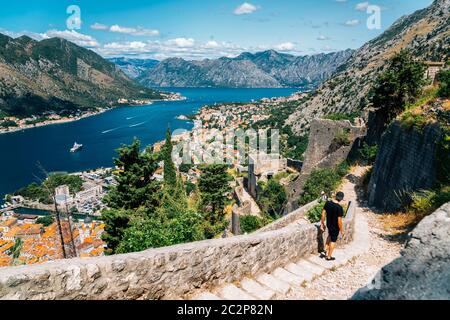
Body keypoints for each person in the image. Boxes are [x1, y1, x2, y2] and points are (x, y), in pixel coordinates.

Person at [320, 191, 345, 261]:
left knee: (329, 236)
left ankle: (325, 249)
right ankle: (329, 257)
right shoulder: (339, 208)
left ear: (335, 196)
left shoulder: (328, 203)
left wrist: (322, 224)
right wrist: (341, 230)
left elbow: (323, 214)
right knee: (333, 240)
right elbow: (339, 221)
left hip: (329, 224)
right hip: (335, 227)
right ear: (341, 199)